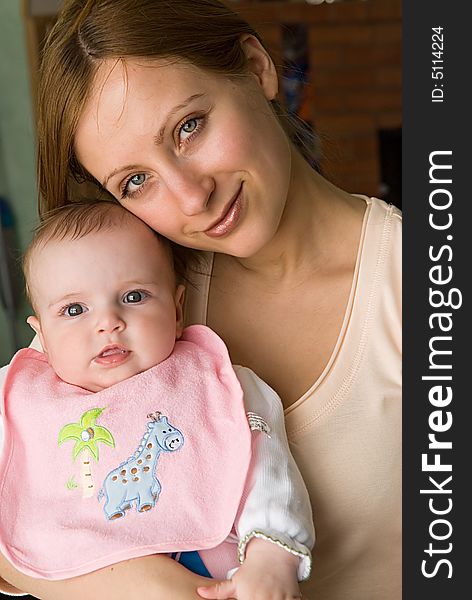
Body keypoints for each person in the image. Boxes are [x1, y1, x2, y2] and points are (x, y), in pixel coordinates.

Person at [1, 0, 402, 598]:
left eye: (189, 126)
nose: (191, 197)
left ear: (256, 65)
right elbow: (19, 536)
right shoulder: (127, 293)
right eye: (136, 181)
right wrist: (150, 586)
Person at [0, 200, 314, 599]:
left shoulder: (217, 384)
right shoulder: (20, 404)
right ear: (41, 335)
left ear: (177, 309)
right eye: (74, 309)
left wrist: (272, 555)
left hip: (215, 581)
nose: (107, 322)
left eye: (133, 297)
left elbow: (268, 470)